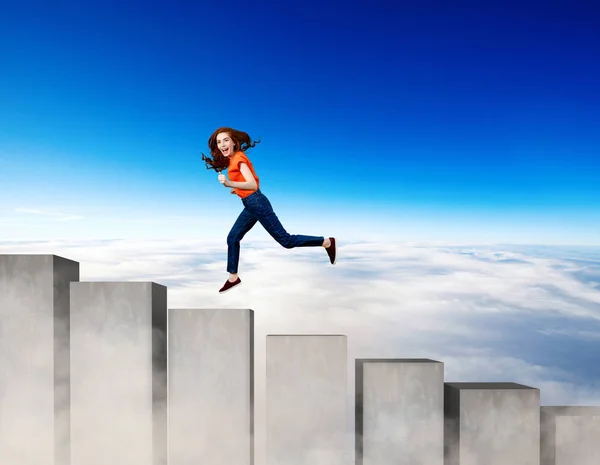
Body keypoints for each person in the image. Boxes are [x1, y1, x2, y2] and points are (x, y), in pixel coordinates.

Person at [201, 127, 336, 293]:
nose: (222, 145)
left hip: (257, 203)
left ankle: (326, 242)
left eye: (226, 140)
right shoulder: (233, 160)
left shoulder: (238, 159)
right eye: (219, 142)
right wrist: (237, 190)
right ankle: (233, 277)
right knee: (233, 237)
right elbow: (247, 184)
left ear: (234, 142)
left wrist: (230, 183)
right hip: (250, 204)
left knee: (286, 241)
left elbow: (253, 184)